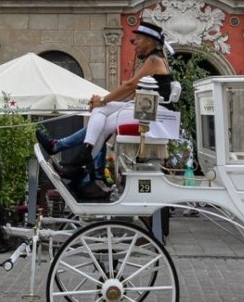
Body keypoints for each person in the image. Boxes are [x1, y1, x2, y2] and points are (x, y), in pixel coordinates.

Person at [39, 20, 173, 185]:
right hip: (148, 110)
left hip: (153, 113)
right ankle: (83, 162)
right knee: (100, 112)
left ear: (150, 40)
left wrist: (102, 100)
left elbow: (130, 86)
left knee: (103, 120)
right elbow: (130, 90)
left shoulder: (154, 60)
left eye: (137, 39)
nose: (134, 44)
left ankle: (81, 163)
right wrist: (102, 103)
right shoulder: (155, 58)